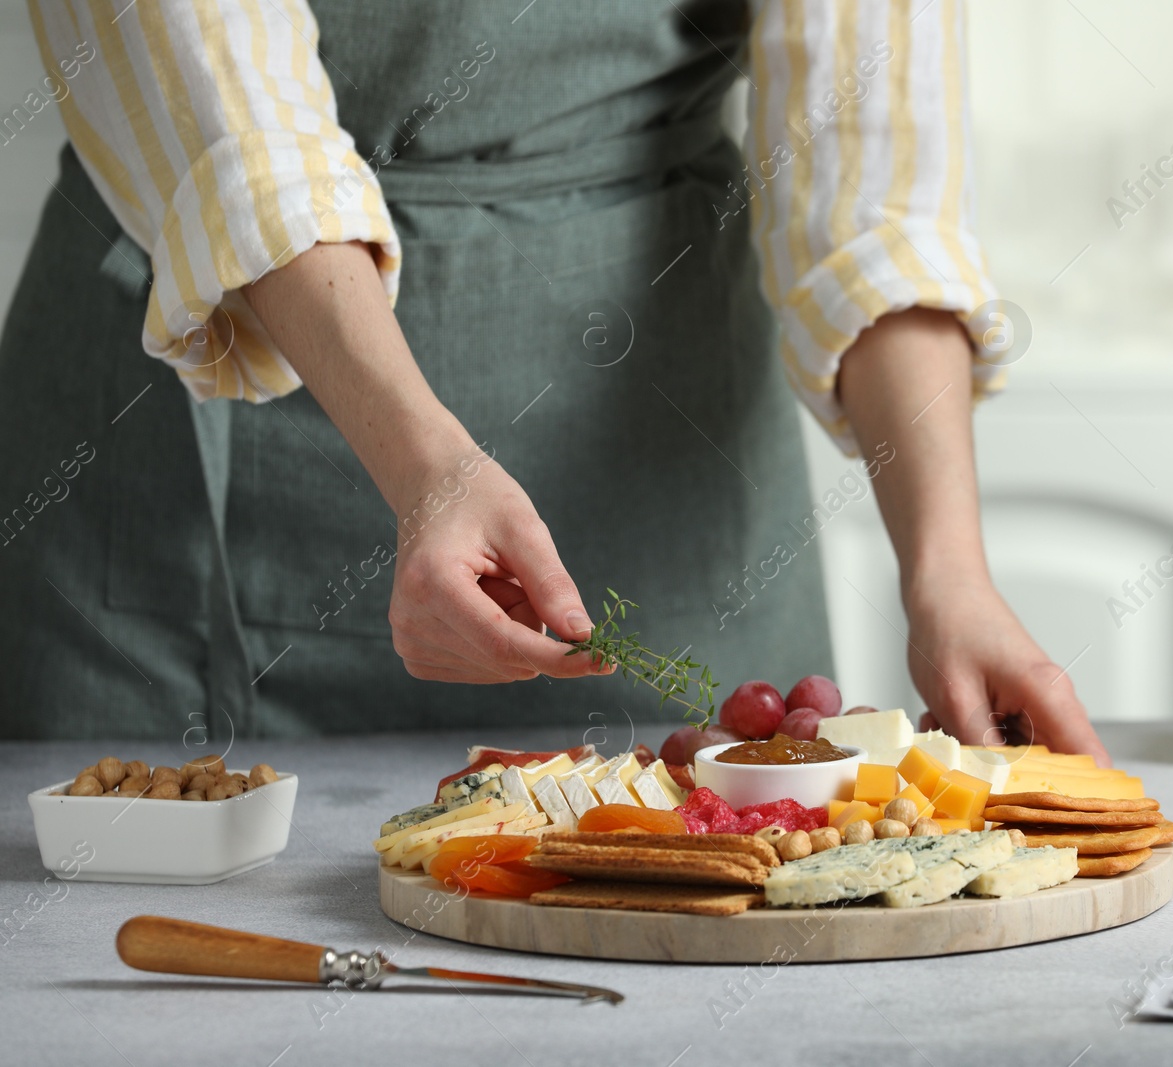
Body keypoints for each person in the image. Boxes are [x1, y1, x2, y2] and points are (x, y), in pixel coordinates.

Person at [0, 0, 1105, 762]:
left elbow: (879, 204)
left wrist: (947, 572)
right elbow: (220, 105)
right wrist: (422, 462)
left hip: (658, 463)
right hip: (172, 481)